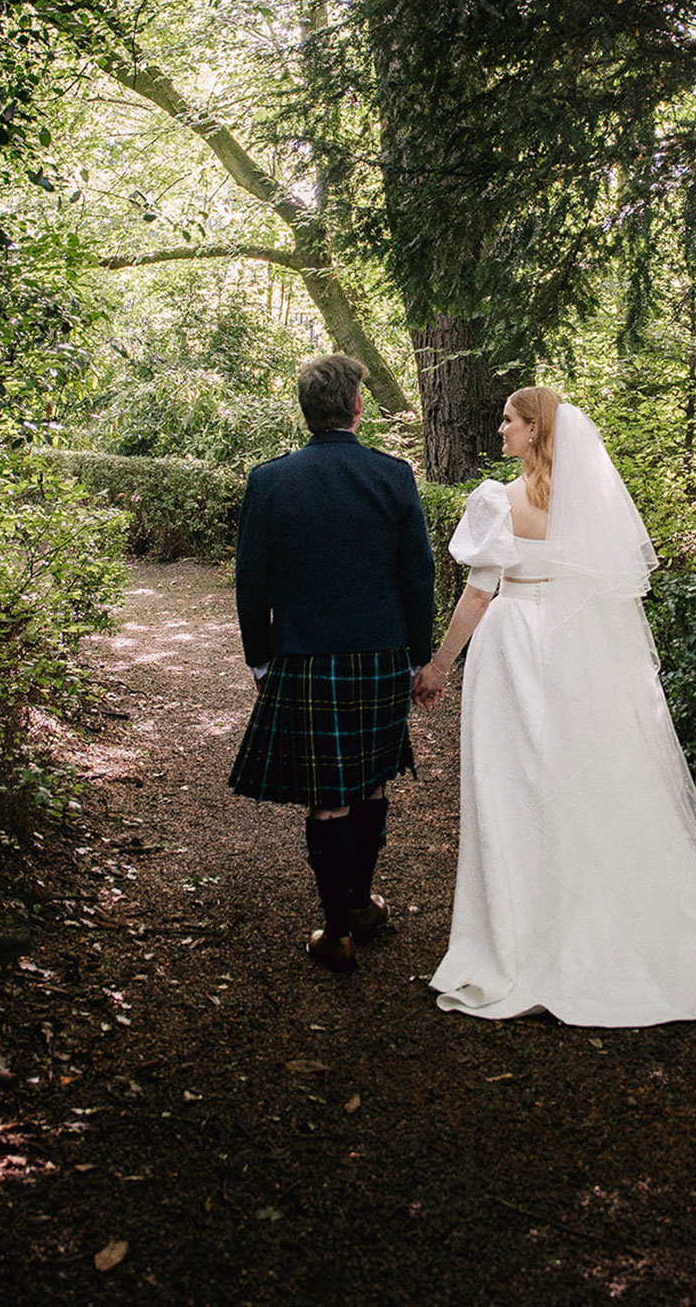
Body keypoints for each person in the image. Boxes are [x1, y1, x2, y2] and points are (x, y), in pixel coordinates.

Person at [413, 387, 696, 1026]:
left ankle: (522, 937)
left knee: (512, 790)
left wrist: (440, 666)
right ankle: (589, 922)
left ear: (536, 431)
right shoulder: (588, 506)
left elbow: (479, 593)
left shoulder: (498, 501)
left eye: (510, 421)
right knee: (577, 786)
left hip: (513, 648)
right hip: (573, 650)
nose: (501, 429)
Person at [230, 353, 435, 972]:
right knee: (370, 781)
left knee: (329, 796)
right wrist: (416, 658)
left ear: (305, 408)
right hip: (377, 656)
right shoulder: (393, 476)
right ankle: (357, 905)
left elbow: (250, 582)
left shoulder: (270, 480)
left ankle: (338, 929)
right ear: (357, 406)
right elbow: (418, 577)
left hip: (305, 658)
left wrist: (260, 659)